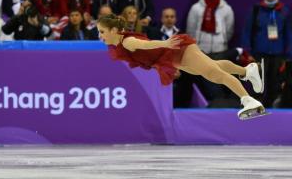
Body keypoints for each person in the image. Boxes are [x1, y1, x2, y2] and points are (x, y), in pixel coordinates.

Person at [97, 14, 267, 119]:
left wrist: (165, 43)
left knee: (214, 74)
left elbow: (147, 45)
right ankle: (247, 71)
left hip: (177, 50)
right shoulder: (122, 45)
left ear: (113, 30)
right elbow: (149, 57)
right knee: (213, 66)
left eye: (102, 32)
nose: (100, 36)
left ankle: (248, 100)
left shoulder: (127, 42)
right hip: (173, 57)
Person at [241, 0, 292, 107]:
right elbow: (247, 31)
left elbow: (288, 34)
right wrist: (247, 52)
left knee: (275, 85)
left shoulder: (284, 11)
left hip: (278, 55)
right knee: (259, 85)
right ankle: (258, 109)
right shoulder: (256, 10)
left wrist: (288, 56)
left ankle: (273, 112)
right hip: (259, 54)